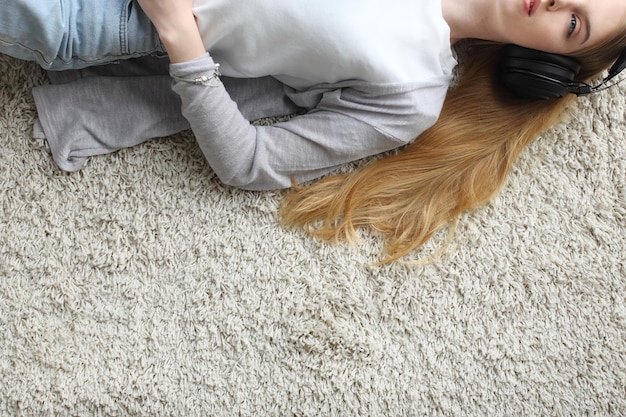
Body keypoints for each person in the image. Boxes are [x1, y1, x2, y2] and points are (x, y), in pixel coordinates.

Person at [1, 0, 625, 263]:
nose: (552, 1)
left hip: (91, 15)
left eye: (574, 23)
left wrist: (179, 38)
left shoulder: (411, 94)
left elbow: (250, 164)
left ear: (544, 67)